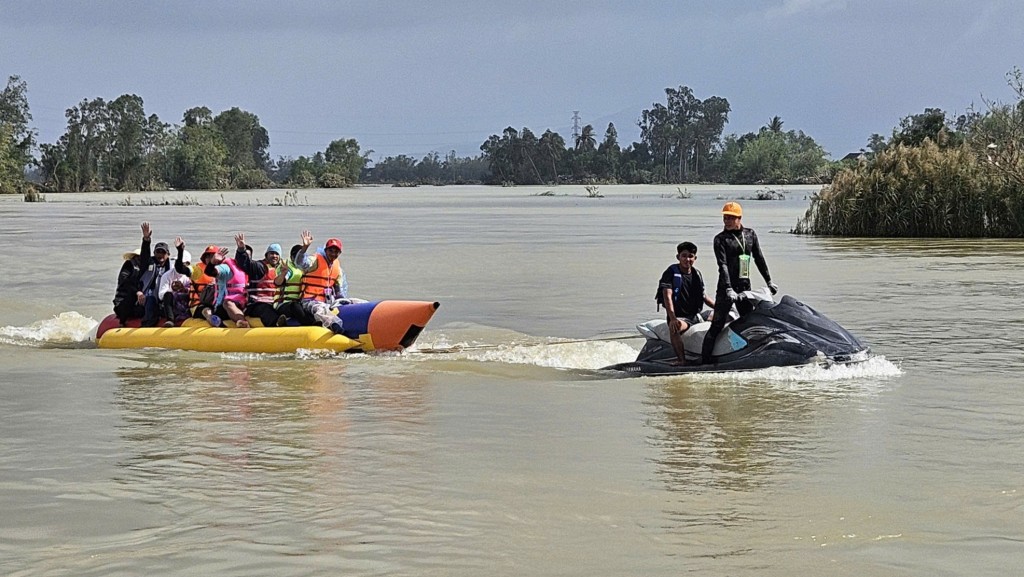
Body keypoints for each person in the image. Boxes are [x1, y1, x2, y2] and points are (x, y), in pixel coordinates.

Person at [701, 202, 778, 365]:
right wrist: (728, 288)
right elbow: (722, 265)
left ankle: (750, 355)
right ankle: (704, 362)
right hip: (726, 289)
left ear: (739, 218)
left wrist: (769, 281)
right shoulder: (720, 239)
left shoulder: (750, 234)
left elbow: (759, 258)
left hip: (744, 288)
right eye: (725, 217)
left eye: (730, 218)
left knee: (749, 322)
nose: (726, 221)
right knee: (716, 326)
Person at [659, 241, 715, 365]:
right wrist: (672, 318)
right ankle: (681, 359)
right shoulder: (671, 273)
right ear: (678, 257)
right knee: (675, 328)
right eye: (684, 256)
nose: (687, 259)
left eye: (690, 256)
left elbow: (704, 296)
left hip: (697, 315)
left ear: (695, 258)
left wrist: (722, 308)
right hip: (680, 318)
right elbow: (667, 296)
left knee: (728, 316)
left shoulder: (697, 274)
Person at [291, 230, 346, 334]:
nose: (333, 254)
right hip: (309, 301)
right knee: (319, 309)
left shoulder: (337, 268)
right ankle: (334, 326)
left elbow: (339, 291)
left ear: (340, 253)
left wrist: (344, 303)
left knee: (353, 301)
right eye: (331, 251)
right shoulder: (315, 260)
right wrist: (304, 248)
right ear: (326, 250)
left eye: (336, 252)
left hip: (328, 302)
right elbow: (299, 263)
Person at [234, 234, 288, 327]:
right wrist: (241, 250)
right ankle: (276, 325)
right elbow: (246, 264)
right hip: (256, 304)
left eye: (277, 254)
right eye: (271, 253)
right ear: (266, 255)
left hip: (274, 304)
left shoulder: (281, 270)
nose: (274, 256)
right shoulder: (260, 267)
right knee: (265, 309)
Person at [204, 235, 252, 328]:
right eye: (243, 256)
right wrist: (212, 263)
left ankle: (242, 323)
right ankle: (238, 323)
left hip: (244, 303)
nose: (245, 260)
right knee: (226, 303)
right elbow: (210, 272)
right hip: (226, 305)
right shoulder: (227, 268)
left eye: (248, 257)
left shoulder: (253, 268)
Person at [172, 237, 221, 327]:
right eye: (208, 256)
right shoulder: (197, 270)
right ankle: (212, 320)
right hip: (198, 306)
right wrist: (180, 251)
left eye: (213, 256)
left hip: (218, 304)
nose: (210, 259)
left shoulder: (223, 270)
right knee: (206, 310)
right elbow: (180, 268)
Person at [112, 222, 153, 326]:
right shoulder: (128, 266)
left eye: (141, 257)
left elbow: (146, 254)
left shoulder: (145, 269)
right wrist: (137, 292)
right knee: (130, 296)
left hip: (137, 303)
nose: (139, 259)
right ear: (134, 258)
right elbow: (125, 282)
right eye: (137, 257)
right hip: (123, 303)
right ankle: (122, 322)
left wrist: (146, 240)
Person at [140, 239, 172, 327]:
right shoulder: (148, 264)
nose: (160, 255)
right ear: (154, 253)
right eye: (158, 252)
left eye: (163, 252)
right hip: (148, 300)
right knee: (150, 300)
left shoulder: (172, 267)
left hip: (164, 300)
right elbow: (144, 255)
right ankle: (147, 326)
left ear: (168, 254)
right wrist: (146, 241)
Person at [157, 249, 192, 327]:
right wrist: (173, 290)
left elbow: (194, 291)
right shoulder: (167, 275)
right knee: (168, 294)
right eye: (177, 262)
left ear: (187, 264)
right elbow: (161, 295)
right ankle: (170, 320)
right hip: (171, 304)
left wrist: (184, 289)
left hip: (185, 303)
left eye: (181, 263)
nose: (177, 265)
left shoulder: (190, 276)